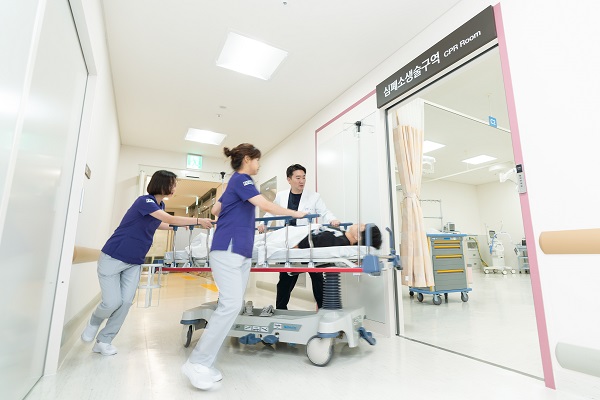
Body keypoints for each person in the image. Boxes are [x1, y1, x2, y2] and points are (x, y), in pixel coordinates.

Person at [181, 143, 307, 391]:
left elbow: (216, 209)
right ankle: (197, 362)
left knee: (233, 305)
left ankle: (204, 362)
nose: (259, 165)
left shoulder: (234, 183)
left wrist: (233, 208)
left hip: (239, 251)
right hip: (229, 249)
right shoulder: (242, 179)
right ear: (247, 159)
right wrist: (297, 214)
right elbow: (266, 206)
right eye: (257, 160)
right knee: (229, 305)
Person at [80, 170, 214, 356]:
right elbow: (169, 219)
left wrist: (177, 226)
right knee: (112, 302)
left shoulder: (159, 205)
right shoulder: (145, 201)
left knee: (126, 302)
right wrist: (198, 220)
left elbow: (160, 223)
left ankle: (104, 341)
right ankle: (94, 322)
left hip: (134, 261)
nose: (174, 188)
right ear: (162, 184)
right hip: (113, 256)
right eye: (173, 184)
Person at [257, 164, 340, 310]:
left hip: (306, 241)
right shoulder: (281, 196)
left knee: (317, 277)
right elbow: (271, 212)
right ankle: (281, 310)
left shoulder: (314, 196)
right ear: (289, 179)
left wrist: (332, 220)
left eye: (303, 178)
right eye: (298, 178)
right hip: (288, 242)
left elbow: (325, 212)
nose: (302, 181)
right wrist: (264, 224)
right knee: (285, 279)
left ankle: (323, 309)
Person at [296, 223, 382, 250]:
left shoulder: (338, 241)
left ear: (358, 237)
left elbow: (302, 244)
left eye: (362, 226)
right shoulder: (341, 235)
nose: (360, 223)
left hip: (294, 237)